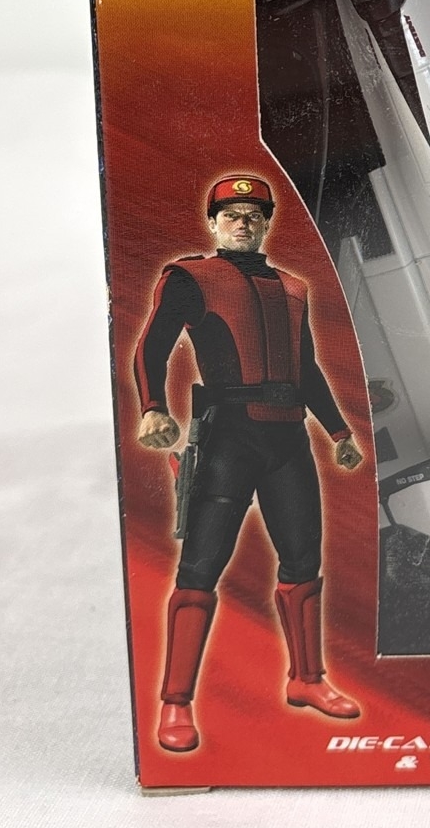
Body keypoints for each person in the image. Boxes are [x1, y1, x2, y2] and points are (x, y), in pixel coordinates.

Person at [135, 175, 364, 753]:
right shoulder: (191, 277)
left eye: (254, 215)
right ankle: (175, 703)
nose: (243, 223)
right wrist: (153, 407)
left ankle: (307, 679)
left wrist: (338, 430)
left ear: (266, 224)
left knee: (304, 560)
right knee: (200, 566)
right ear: (213, 223)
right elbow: (152, 344)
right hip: (227, 439)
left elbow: (306, 367)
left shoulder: (293, 286)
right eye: (232, 215)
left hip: (289, 441)